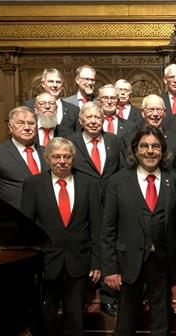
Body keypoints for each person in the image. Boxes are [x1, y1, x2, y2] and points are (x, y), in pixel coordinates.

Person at [102, 126, 176, 336]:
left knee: (161, 320)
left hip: (162, 262)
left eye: (156, 146)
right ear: (135, 150)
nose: (151, 151)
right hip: (127, 263)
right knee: (125, 322)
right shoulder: (117, 181)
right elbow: (107, 229)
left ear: (163, 151)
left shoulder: (174, 180)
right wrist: (110, 268)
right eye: (145, 146)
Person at [21, 137, 102, 336]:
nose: (62, 161)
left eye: (67, 156)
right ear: (48, 159)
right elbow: (27, 229)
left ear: (73, 158)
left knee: (75, 320)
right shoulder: (33, 185)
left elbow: (97, 227)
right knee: (45, 324)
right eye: (56, 156)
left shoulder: (89, 183)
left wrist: (97, 261)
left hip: (79, 265)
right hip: (46, 266)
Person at [69, 102, 124, 317]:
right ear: (81, 120)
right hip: (82, 204)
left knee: (110, 247)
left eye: (97, 118)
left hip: (111, 204)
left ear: (103, 120)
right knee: (85, 248)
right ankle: (84, 295)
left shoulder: (114, 141)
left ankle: (109, 297)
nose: (93, 121)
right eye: (89, 117)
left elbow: (120, 170)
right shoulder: (72, 142)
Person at [0, 106, 48, 209]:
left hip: (46, 218)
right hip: (12, 219)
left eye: (31, 123)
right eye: (21, 123)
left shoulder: (47, 152)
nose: (27, 127)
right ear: (10, 127)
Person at [135, 94, 176, 173]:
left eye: (159, 110)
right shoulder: (130, 138)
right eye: (151, 110)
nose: (155, 114)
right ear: (142, 112)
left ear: (164, 112)